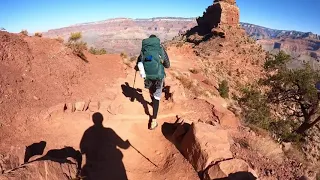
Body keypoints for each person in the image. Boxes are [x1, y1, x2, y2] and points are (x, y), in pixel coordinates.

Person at [137, 35, 170, 130]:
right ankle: (153, 121)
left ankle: (153, 103)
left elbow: (139, 62)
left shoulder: (144, 50)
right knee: (157, 96)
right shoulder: (160, 49)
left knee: (152, 92)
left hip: (148, 76)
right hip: (158, 77)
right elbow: (167, 65)